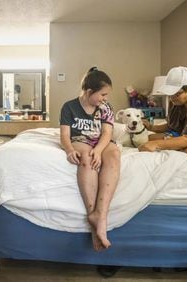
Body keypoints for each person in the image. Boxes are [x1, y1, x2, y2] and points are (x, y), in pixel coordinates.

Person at [59, 67, 120, 251]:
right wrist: (69, 150)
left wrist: (100, 150)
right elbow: (64, 135)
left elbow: (107, 133)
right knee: (85, 158)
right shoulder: (69, 107)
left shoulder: (106, 108)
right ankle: (93, 220)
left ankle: (100, 215)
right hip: (80, 140)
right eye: (102, 94)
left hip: (100, 140)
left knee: (115, 154)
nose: (105, 98)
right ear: (88, 92)